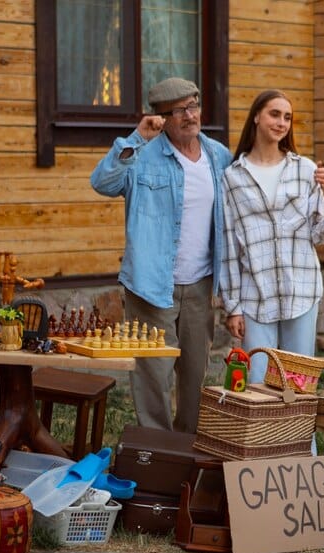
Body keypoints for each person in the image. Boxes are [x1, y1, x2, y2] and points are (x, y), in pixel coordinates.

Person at [91, 77, 232, 433]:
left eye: (194, 105)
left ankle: (187, 448)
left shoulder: (219, 156)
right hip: (152, 285)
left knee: (196, 374)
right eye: (179, 110)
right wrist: (136, 138)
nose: (190, 115)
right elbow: (102, 183)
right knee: (153, 373)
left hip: (201, 283)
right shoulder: (142, 155)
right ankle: (156, 452)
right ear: (161, 117)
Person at [220, 90, 324, 385]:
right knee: (256, 383)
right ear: (256, 116)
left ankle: (301, 435)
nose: (281, 123)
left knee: (299, 383)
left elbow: (320, 235)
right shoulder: (232, 177)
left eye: (287, 117)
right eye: (274, 114)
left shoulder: (305, 170)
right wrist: (232, 306)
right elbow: (229, 245)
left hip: (301, 290)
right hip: (256, 294)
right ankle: (261, 434)